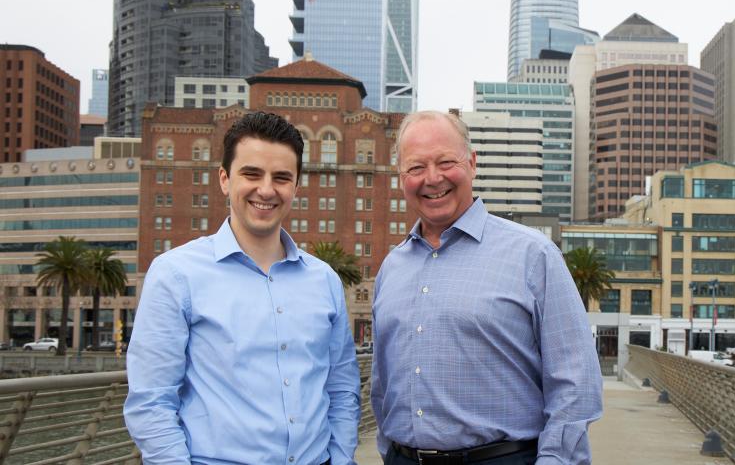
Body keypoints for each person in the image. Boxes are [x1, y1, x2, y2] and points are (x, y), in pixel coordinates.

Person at [124, 112, 360, 465]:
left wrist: (341, 460)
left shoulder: (323, 279)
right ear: (224, 178)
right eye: (251, 174)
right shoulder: (176, 274)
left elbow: (341, 388)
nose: (266, 190)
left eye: (281, 177)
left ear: (296, 187)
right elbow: (151, 402)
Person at [370, 111, 602, 465]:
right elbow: (381, 383)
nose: (433, 179)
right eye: (416, 168)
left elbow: (575, 380)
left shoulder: (532, 255)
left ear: (472, 163)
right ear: (401, 176)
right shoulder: (392, 268)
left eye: (446, 162)